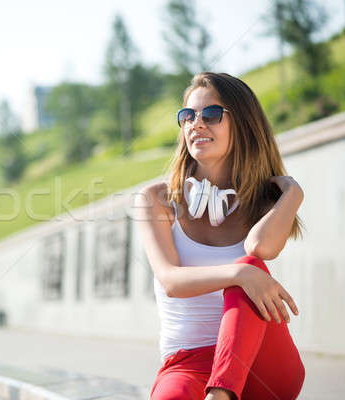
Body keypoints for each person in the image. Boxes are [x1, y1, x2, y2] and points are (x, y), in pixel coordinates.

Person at [134, 72, 306, 400]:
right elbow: (171, 280)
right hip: (187, 363)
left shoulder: (265, 201)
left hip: (262, 363)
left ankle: (221, 394)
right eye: (188, 116)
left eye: (211, 114)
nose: (196, 124)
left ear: (243, 124)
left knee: (252, 265)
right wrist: (239, 273)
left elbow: (260, 247)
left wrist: (293, 193)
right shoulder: (156, 199)